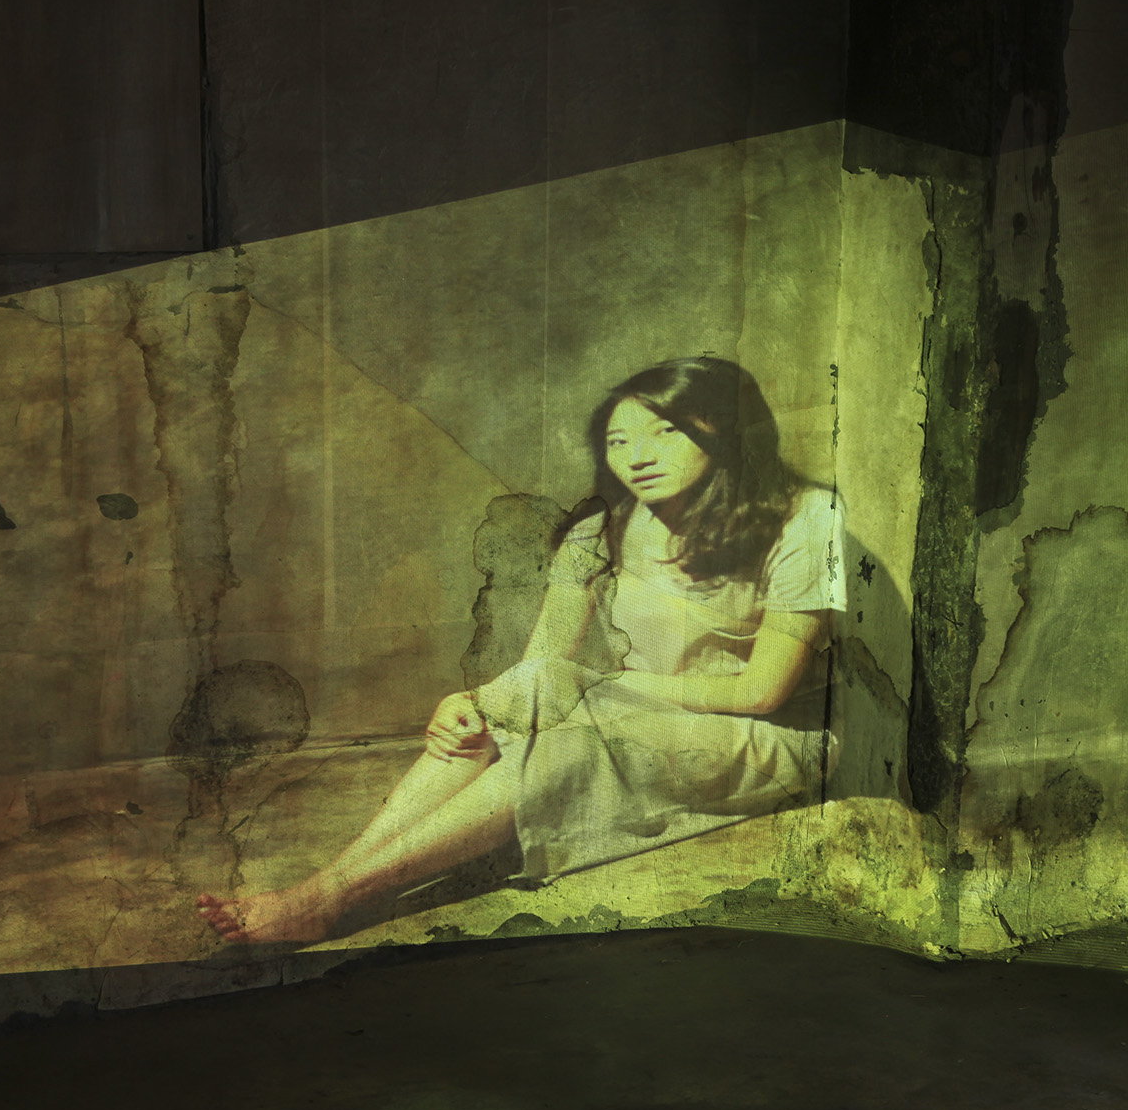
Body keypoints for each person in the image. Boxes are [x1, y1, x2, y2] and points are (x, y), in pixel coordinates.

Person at [197, 356, 844, 944]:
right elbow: (543, 663)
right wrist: (479, 702)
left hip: (762, 737)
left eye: (665, 432)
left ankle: (331, 896)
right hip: (638, 710)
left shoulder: (807, 519)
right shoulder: (606, 521)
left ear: (722, 428)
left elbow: (762, 692)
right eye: (618, 441)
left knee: (569, 747)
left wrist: (591, 689)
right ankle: (332, 883)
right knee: (490, 716)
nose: (637, 457)